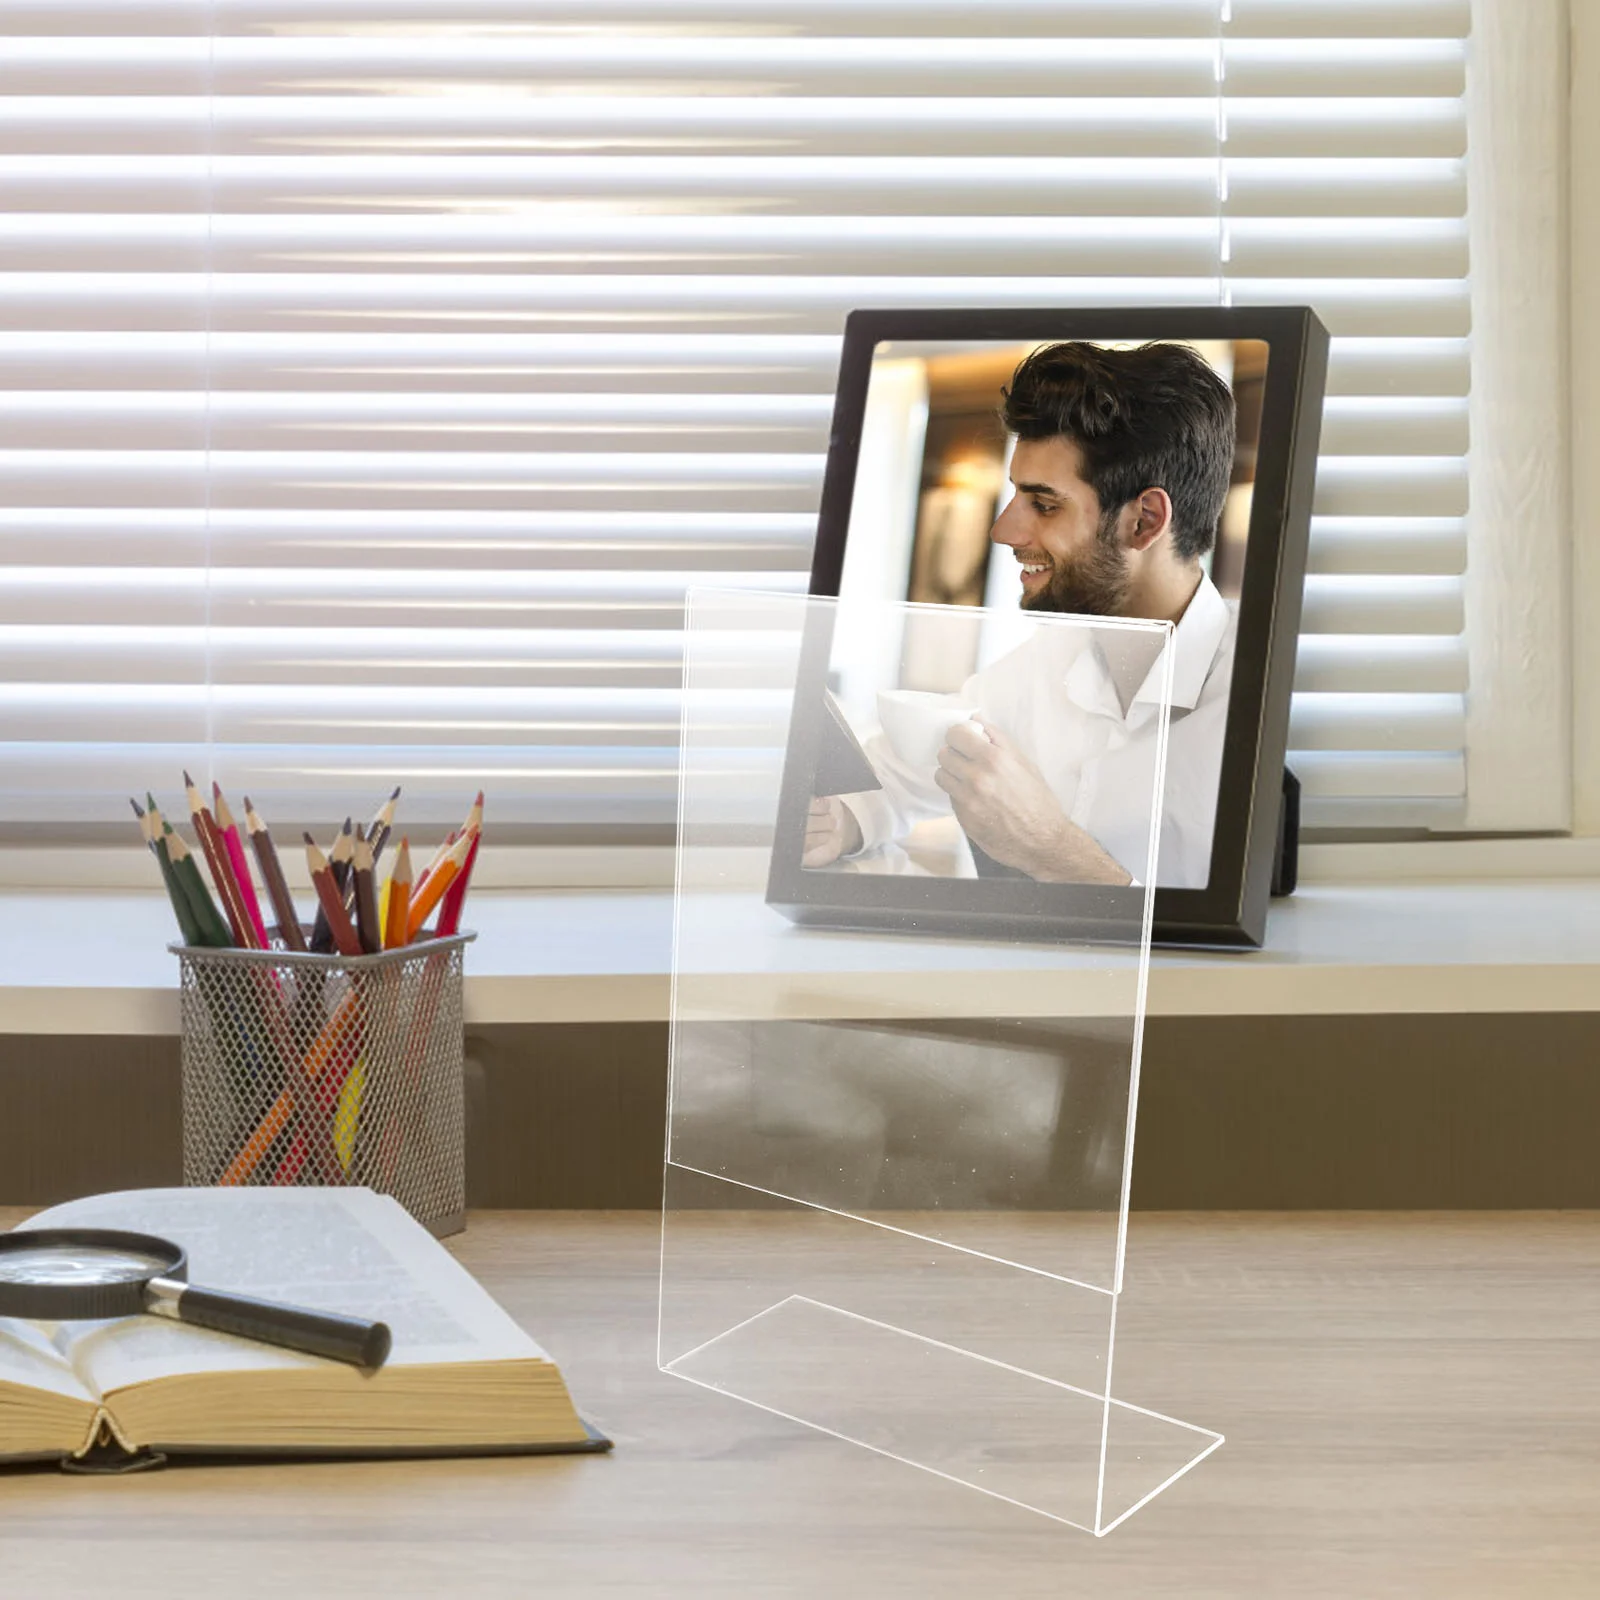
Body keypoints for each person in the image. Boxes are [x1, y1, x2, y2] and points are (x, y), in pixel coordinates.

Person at [804, 340, 1239, 889]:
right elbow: (886, 783)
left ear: (1144, 521)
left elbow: (1211, 957)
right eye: (1015, 496)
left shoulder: (1259, 705)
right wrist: (838, 821)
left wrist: (1052, 850)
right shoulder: (1039, 668)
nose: (1003, 531)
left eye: (1045, 503)